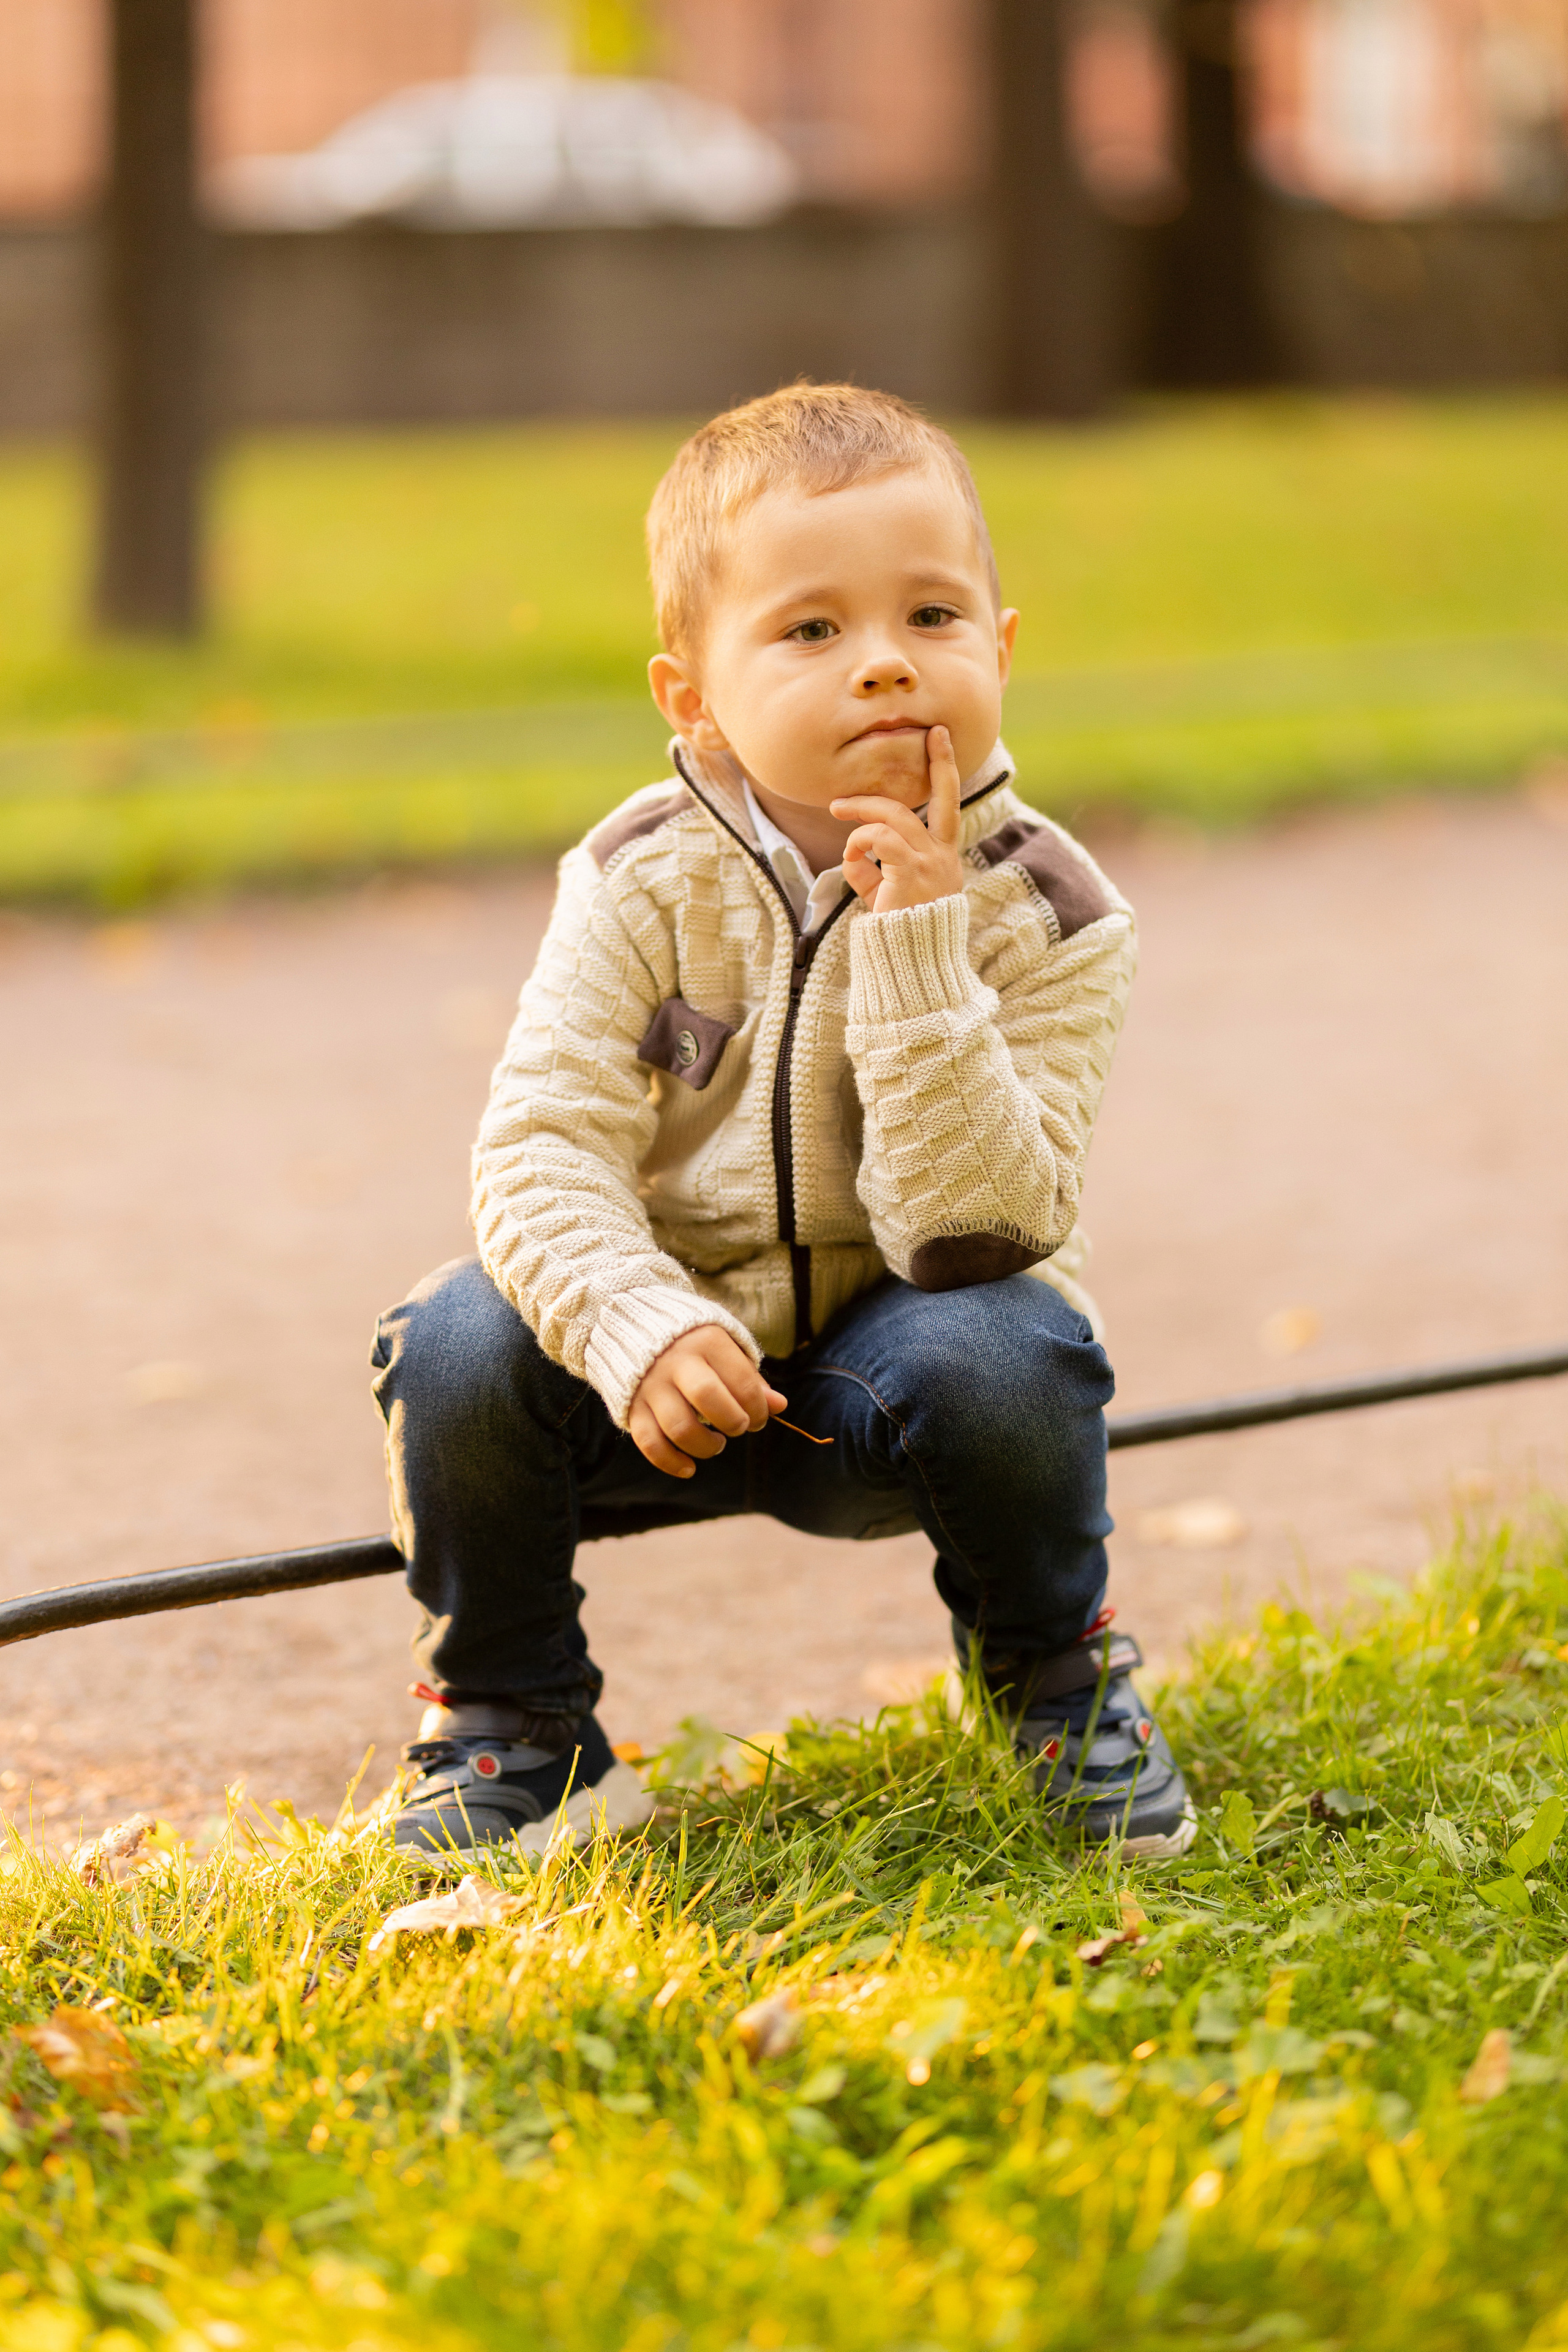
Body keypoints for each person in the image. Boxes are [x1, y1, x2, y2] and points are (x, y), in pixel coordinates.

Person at [371, 383, 1194, 1863]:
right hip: (656, 1377)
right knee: (452, 1336)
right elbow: (540, 1145)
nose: (883, 668)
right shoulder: (637, 875)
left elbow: (979, 1231)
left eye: (930, 618)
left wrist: (916, 945)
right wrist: (631, 1321)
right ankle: (517, 1726)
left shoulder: (1052, 911)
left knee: (1011, 1345)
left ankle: (1053, 1681)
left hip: (896, 1380)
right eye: (811, 632)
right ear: (691, 696)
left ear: (998, 650)